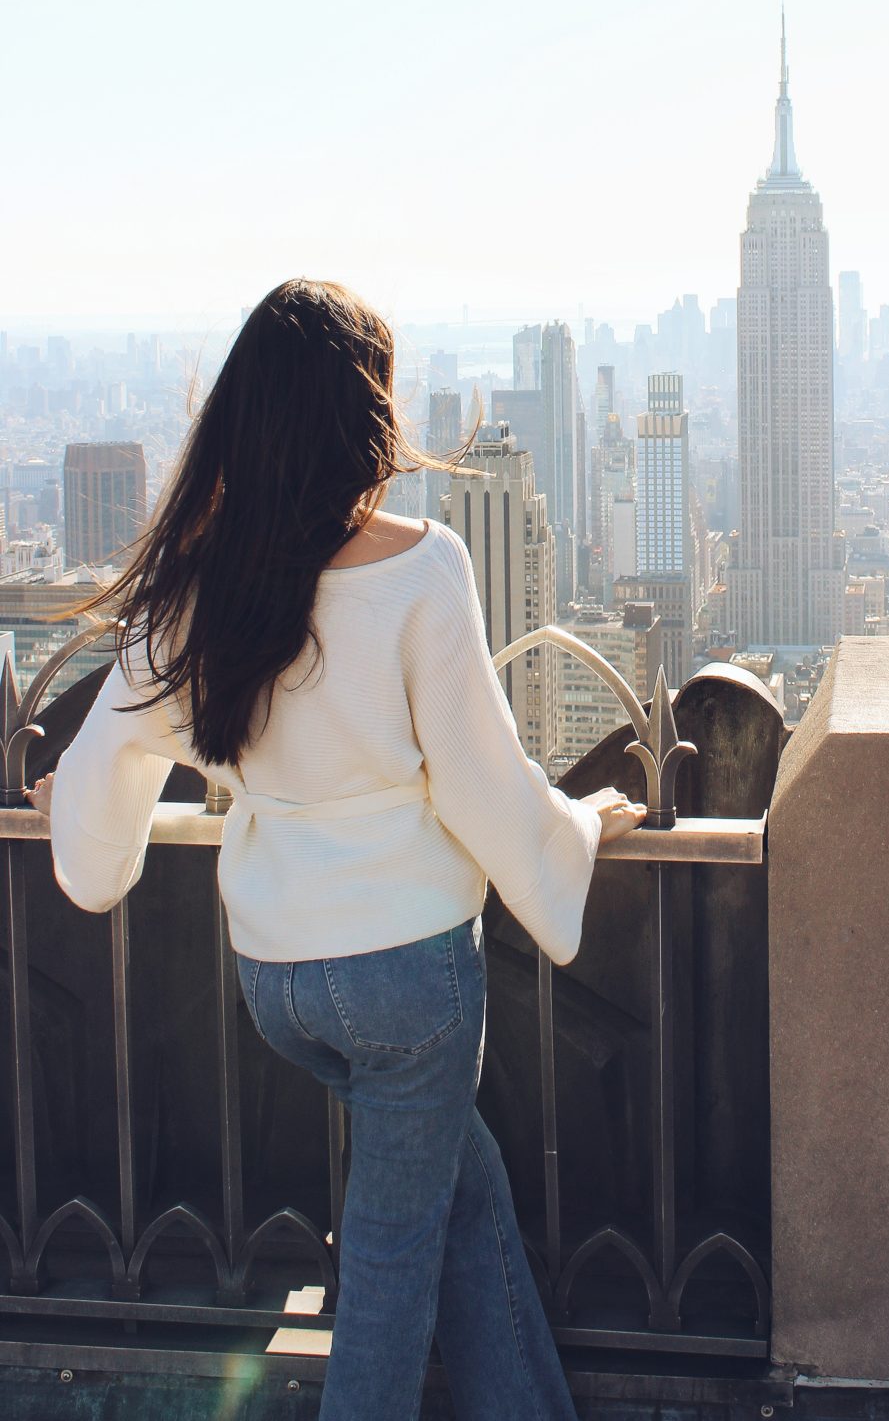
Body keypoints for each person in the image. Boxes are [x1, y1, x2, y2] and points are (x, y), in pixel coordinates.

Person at [26, 278, 646, 1421]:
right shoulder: (421, 569)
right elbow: (482, 783)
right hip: (411, 982)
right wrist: (575, 829)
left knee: (460, 1193)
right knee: (388, 1270)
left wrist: (82, 832)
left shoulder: (199, 591)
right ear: (366, 413)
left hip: (279, 983)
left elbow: (111, 761)